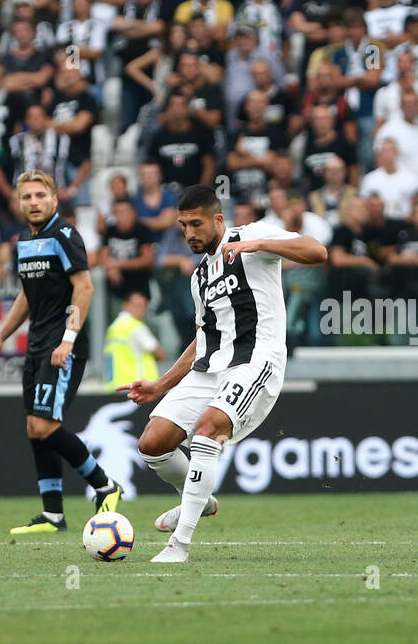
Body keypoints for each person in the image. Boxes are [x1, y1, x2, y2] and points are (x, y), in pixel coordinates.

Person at [118, 184, 329, 563]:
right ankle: (199, 500)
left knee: (208, 429)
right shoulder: (199, 276)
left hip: (256, 362)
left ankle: (178, 544)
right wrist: (160, 385)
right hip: (210, 368)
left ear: (218, 219)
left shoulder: (252, 235)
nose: (189, 234)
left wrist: (259, 246)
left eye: (196, 224)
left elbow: (317, 252)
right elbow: (203, 338)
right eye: (183, 226)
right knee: (153, 443)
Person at [0, 171, 124, 534]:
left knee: (46, 424)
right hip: (38, 343)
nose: (33, 202)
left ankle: (105, 484)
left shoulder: (65, 235)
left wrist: (69, 339)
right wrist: (0, 337)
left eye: (40, 195)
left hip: (63, 346)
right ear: (18, 202)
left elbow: (84, 287)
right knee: (34, 427)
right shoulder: (25, 242)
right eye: (26, 197)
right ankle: (53, 515)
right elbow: (28, 296)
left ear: (54, 199)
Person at [103, 291, 165, 389]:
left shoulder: (113, 327)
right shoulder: (135, 327)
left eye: (144, 306)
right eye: (137, 305)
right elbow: (160, 354)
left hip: (115, 386)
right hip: (138, 386)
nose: (142, 309)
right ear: (125, 305)